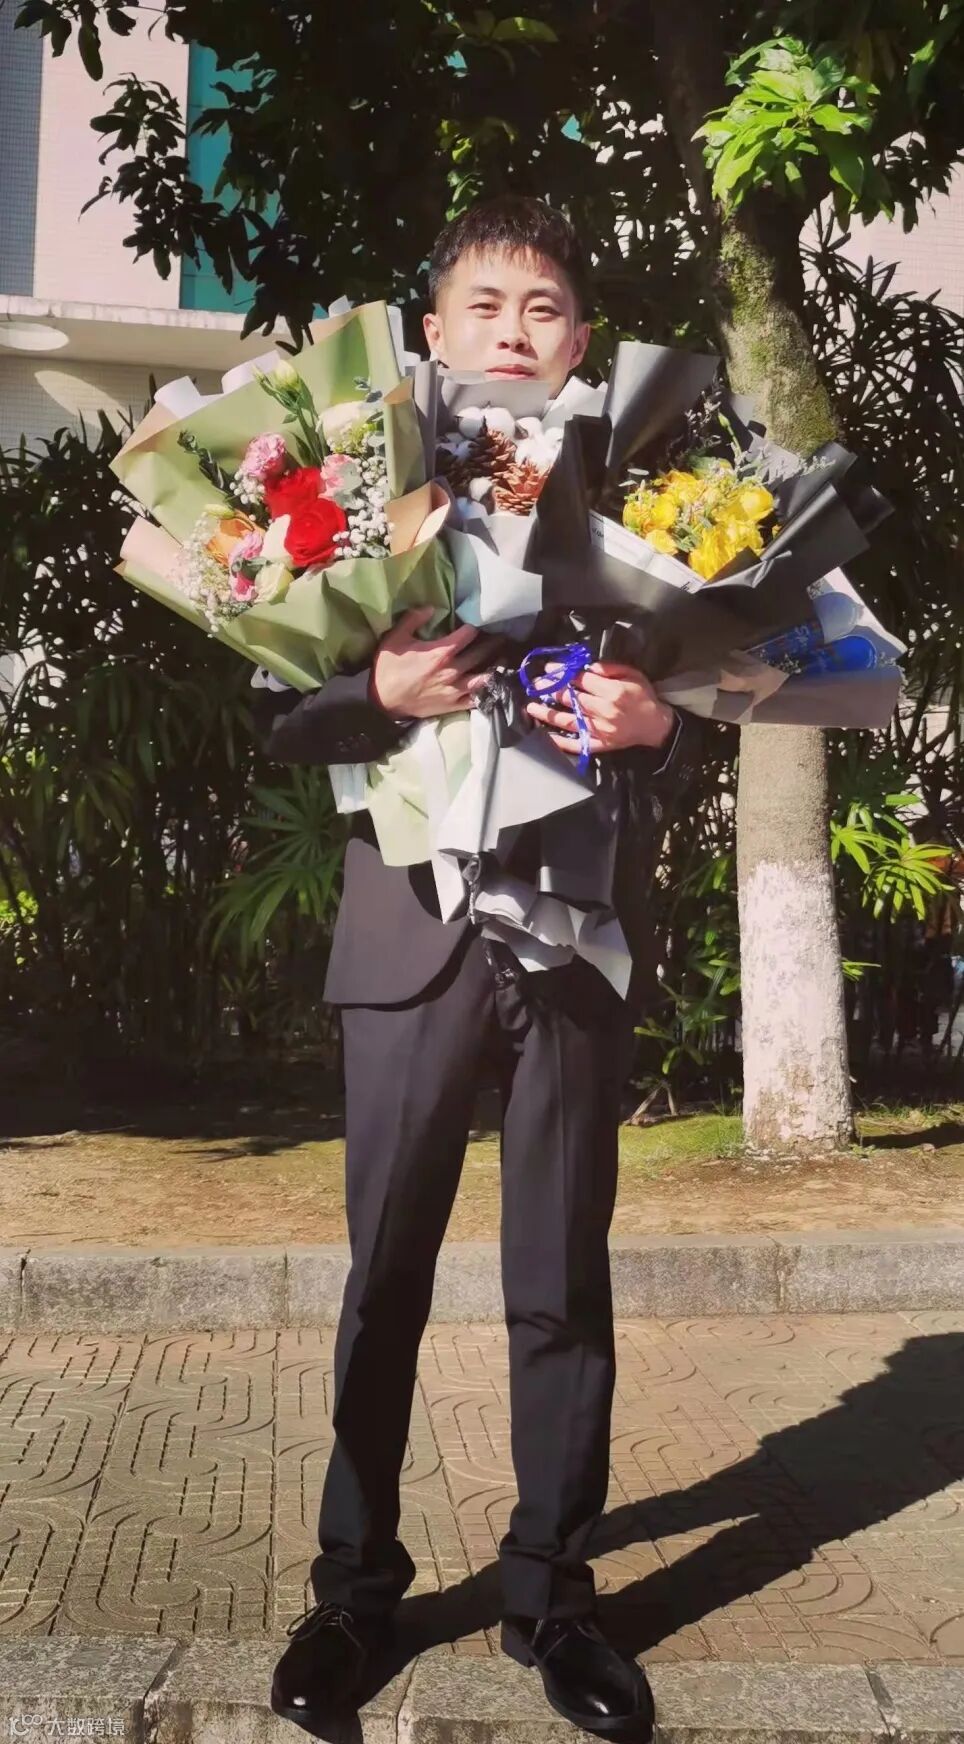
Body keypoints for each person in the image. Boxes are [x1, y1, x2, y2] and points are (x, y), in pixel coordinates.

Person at [259, 195, 702, 1733]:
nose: (516, 330)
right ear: (436, 325)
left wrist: (662, 723)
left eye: (546, 306)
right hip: (413, 941)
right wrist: (378, 691)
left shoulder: (644, 495)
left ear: (581, 340)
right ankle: (353, 1594)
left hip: (573, 942)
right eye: (488, 303)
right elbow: (279, 716)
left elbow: (703, 694)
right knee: (384, 1281)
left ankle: (552, 1600)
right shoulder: (360, 489)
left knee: (560, 1288)